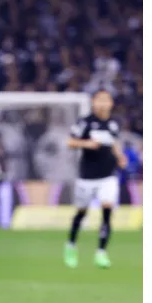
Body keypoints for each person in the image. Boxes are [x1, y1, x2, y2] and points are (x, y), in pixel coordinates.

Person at [64, 90, 128, 269]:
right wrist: (87, 144)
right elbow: (70, 142)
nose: (102, 103)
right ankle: (71, 245)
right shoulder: (85, 122)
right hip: (87, 177)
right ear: (93, 102)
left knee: (107, 210)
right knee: (81, 212)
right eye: (99, 100)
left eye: (105, 100)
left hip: (108, 176)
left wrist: (120, 157)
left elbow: (114, 143)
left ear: (111, 103)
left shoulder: (114, 124)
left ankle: (101, 252)